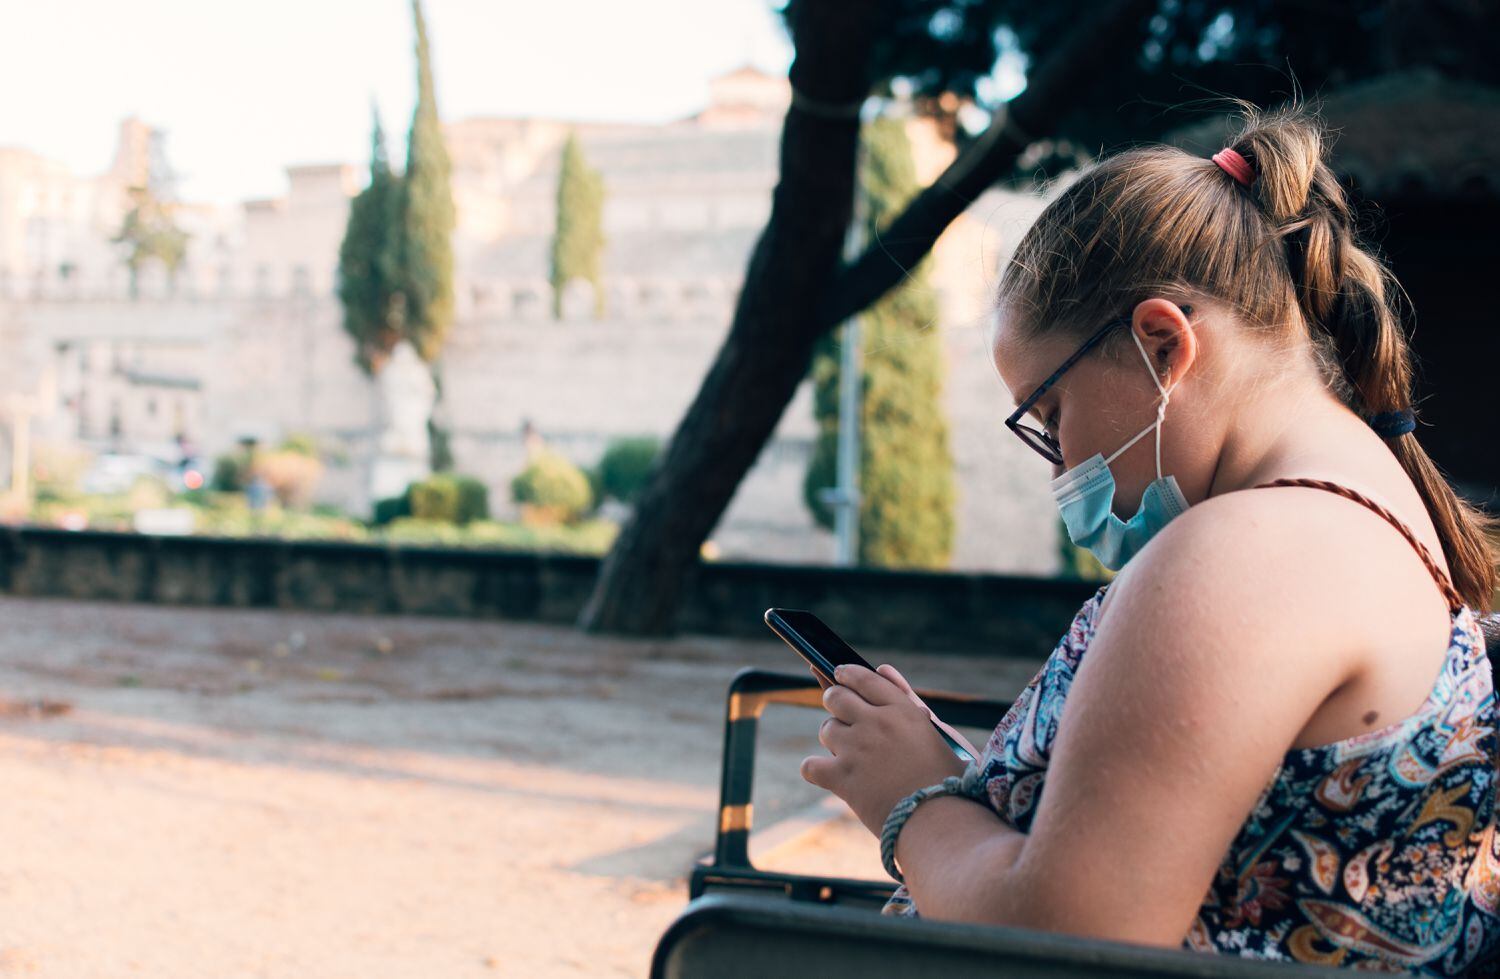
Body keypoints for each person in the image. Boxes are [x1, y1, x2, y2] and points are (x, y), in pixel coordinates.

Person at [798, 98, 1499, 975]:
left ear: (1163, 344)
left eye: (1049, 416)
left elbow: (1068, 936)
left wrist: (914, 800)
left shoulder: (1249, 556)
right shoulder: (1356, 514)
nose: (1057, 464)